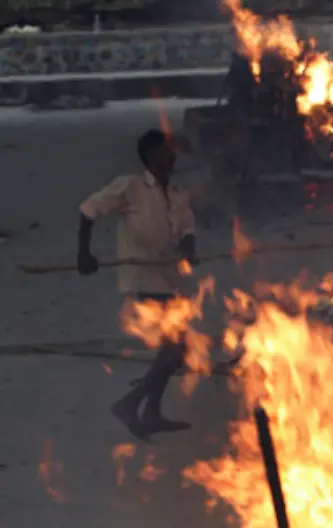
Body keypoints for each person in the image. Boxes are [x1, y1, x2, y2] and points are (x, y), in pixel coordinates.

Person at [77, 129, 198, 441]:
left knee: (176, 350)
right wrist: (84, 253)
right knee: (174, 349)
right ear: (151, 156)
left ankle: (150, 412)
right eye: (165, 150)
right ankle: (129, 404)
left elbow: (187, 228)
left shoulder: (177, 192)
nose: (172, 155)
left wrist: (188, 246)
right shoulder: (130, 186)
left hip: (170, 277)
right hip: (144, 277)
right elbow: (88, 210)